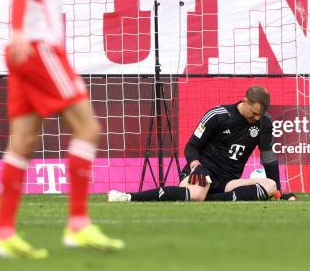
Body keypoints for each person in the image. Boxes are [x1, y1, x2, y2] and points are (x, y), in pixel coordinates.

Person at [0, 0, 160, 259]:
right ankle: (78, 224)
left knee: (24, 141)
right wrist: (18, 32)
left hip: (24, 49)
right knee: (88, 128)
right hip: (38, 48)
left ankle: (2, 232)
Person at [108, 86, 296, 202]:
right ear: (245, 101)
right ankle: (128, 196)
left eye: (260, 115)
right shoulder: (218, 115)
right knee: (197, 194)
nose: (256, 118)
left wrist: (279, 192)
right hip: (202, 172)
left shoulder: (265, 122)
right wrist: (196, 166)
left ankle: (213, 199)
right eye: (254, 113)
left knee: (270, 186)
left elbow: (268, 158)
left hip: (228, 182)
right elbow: (191, 147)